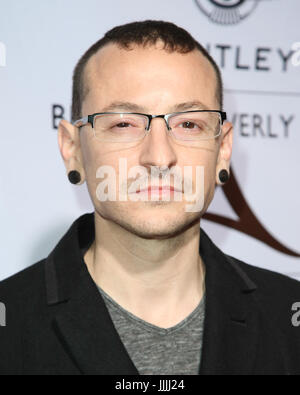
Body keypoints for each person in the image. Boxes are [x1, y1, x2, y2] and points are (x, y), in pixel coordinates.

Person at [1, 20, 300, 376]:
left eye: (189, 124)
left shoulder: (289, 317)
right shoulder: (10, 323)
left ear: (223, 149)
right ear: (72, 149)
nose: (159, 157)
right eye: (123, 123)